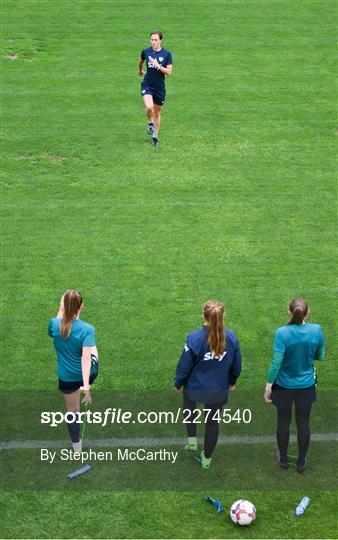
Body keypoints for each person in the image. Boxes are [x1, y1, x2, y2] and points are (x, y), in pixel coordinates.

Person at [175, 300, 242, 469]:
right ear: (223, 316)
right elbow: (237, 364)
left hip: (194, 387)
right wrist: (232, 381)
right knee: (212, 423)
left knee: (189, 409)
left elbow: (184, 365)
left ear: (203, 316)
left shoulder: (194, 338)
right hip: (218, 390)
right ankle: (207, 460)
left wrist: (178, 382)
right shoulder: (232, 338)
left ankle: (191, 442)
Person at [264, 298, 325, 473]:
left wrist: (269, 386)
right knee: (303, 423)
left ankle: (283, 459)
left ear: (289, 312)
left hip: (283, 386)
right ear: (308, 312)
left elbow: (276, 362)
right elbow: (320, 356)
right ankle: (300, 462)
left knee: (283, 421)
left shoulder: (282, 333)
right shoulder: (317, 330)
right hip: (306, 386)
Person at [48, 290, 99, 452]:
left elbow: (58, 322)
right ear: (81, 306)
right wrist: (86, 387)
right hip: (86, 375)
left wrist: (62, 309)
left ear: (62, 306)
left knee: (72, 410)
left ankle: (76, 444)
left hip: (66, 378)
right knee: (93, 350)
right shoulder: (87, 329)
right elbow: (86, 360)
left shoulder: (53, 324)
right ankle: (84, 386)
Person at [138, 30, 173, 148]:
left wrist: (158, 65)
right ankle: (150, 123)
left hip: (159, 88)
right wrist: (139, 71)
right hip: (147, 84)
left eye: (156, 40)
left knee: (157, 112)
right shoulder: (146, 52)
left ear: (161, 41)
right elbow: (141, 61)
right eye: (152, 40)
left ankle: (155, 137)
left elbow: (169, 72)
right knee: (149, 107)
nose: (153, 42)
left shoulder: (167, 54)